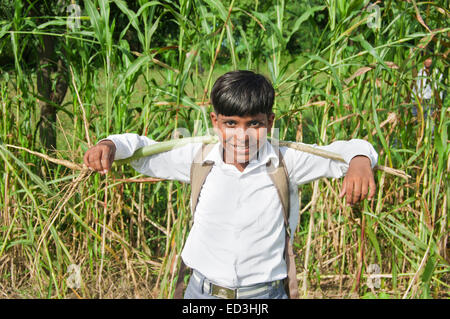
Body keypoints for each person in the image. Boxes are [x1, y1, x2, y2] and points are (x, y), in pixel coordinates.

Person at [83, 70, 378, 299]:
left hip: (265, 294)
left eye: (255, 124)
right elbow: (142, 151)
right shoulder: (199, 158)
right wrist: (109, 145)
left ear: (270, 121)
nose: (243, 135)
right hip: (201, 292)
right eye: (231, 124)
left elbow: (346, 151)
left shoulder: (286, 161)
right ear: (215, 121)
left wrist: (361, 160)